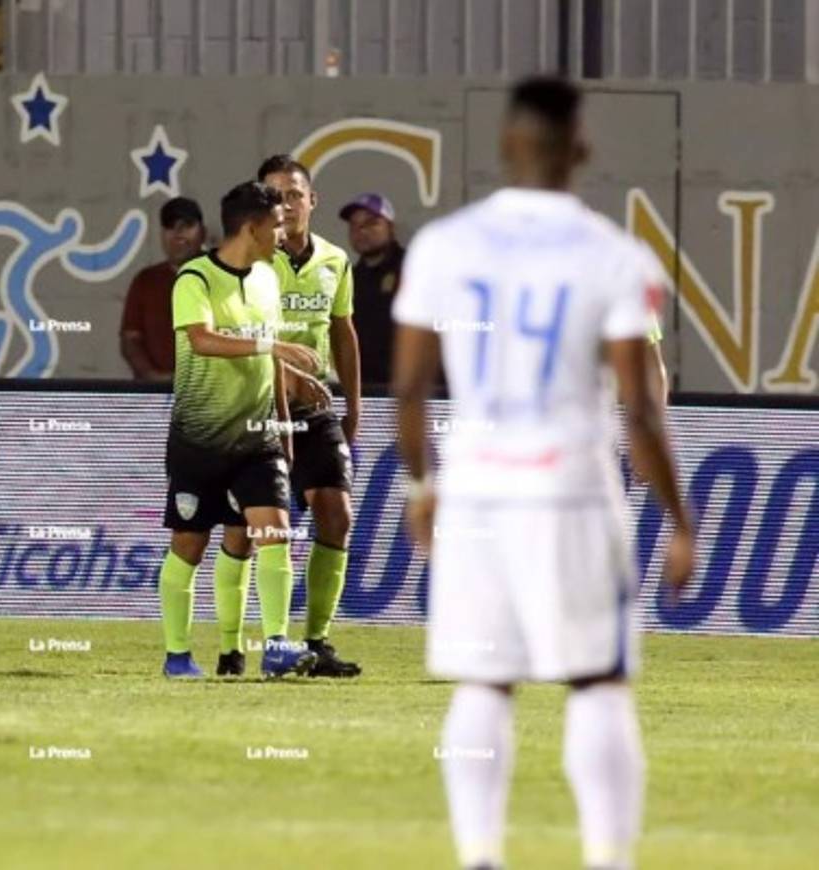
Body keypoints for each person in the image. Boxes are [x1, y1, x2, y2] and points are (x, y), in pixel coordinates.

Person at [391, 76, 695, 870]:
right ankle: (607, 859)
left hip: (477, 492)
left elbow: (410, 388)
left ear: (505, 143)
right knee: (596, 681)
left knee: (482, 683)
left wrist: (423, 486)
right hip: (571, 492)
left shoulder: (443, 246)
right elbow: (640, 409)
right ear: (581, 148)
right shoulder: (615, 256)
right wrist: (680, 520)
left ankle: (480, 857)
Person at [158, 180, 323, 679]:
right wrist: (273, 348)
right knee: (189, 546)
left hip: (258, 437)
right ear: (252, 228)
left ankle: (276, 645)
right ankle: (177, 656)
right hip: (200, 437)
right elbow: (203, 340)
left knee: (274, 532)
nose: (284, 233)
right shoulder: (195, 279)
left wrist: (287, 408)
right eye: (277, 225)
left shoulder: (268, 279)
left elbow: (265, 355)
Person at [219, 154, 360, 678]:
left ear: (312, 200)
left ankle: (316, 642)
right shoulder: (252, 261)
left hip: (316, 407)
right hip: (254, 403)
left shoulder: (335, 260)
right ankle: (232, 647)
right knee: (243, 529)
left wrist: (354, 403)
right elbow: (241, 336)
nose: (287, 204)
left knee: (337, 514)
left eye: (295, 194)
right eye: (275, 195)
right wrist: (288, 376)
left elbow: (343, 330)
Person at [120, 197, 206, 381]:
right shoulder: (145, 280)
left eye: (187, 225)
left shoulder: (222, 277)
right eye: (170, 226)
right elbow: (131, 340)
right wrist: (153, 377)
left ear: (203, 233)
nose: (178, 233)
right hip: (155, 394)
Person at [340, 193, 405, 386]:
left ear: (390, 227)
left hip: (408, 387)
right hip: (364, 387)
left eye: (371, 223)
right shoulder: (350, 277)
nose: (361, 231)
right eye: (354, 225)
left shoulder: (415, 268)